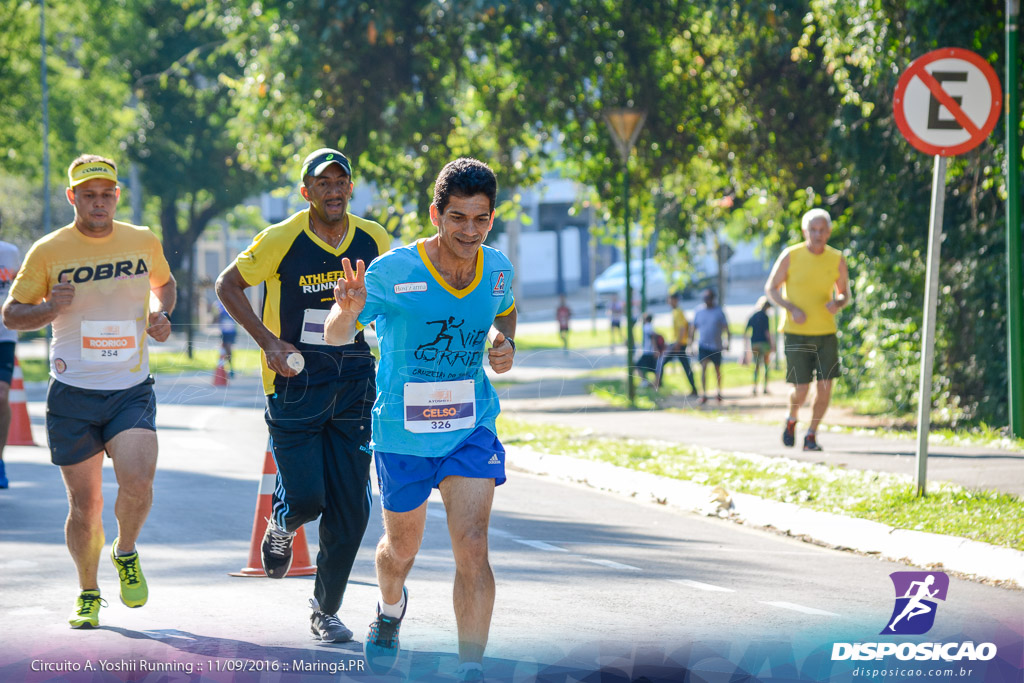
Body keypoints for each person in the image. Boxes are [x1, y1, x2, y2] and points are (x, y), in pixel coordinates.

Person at [323, 158, 516, 681]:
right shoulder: (392, 271)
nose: (469, 231)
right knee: (400, 550)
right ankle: (389, 611)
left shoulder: (497, 268)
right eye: (458, 218)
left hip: (470, 427)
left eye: (480, 219)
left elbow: (504, 309)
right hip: (402, 435)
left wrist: (504, 342)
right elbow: (337, 335)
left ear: (491, 218)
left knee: (473, 545)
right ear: (436, 214)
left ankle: (470, 666)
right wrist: (347, 309)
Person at [215, 148, 390, 642]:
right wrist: (269, 343)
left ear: (350, 188)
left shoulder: (374, 239)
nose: (333, 190)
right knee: (310, 499)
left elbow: (384, 306)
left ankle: (325, 608)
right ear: (305, 191)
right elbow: (227, 284)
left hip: (354, 380)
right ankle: (283, 520)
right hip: (294, 383)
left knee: (352, 510)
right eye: (323, 183)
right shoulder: (281, 238)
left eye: (341, 181)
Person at [1, 154, 176, 628]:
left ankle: (126, 550)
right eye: (88, 194)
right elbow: (11, 315)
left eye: (106, 194)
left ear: (117, 195)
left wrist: (161, 316)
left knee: (138, 484)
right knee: (86, 505)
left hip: (130, 389)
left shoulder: (141, 240)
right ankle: (88, 592)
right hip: (72, 393)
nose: (98, 203)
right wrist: (48, 308)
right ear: (72, 197)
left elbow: (165, 284)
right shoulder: (48, 250)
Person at [764, 208, 851, 451]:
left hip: (825, 332)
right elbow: (771, 288)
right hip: (796, 331)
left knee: (825, 388)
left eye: (822, 230)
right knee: (800, 390)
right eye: (813, 229)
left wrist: (838, 301)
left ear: (829, 232)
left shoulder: (836, 258)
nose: (817, 234)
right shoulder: (791, 255)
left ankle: (811, 435)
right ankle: (792, 418)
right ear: (805, 231)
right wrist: (790, 307)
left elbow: (844, 293)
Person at [0, 211, 20, 489]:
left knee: (1, 394)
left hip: (4, 334)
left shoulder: (11, 253)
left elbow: (21, 291)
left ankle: (0, 458)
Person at [692, 289, 730, 404]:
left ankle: (718, 392)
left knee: (717, 369)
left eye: (709, 298)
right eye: (705, 299)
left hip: (716, 346)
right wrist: (690, 344)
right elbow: (693, 328)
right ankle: (703, 393)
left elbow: (726, 328)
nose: (707, 301)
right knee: (703, 368)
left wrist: (728, 342)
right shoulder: (698, 311)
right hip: (703, 345)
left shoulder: (719, 311)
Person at [657, 292, 698, 397]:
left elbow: (682, 328)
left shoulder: (678, 312)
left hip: (678, 344)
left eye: (670, 299)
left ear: (675, 300)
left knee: (662, 361)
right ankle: (694, 388)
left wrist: (678, 343)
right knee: (685, 366)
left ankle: (658, 385)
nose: (668, 302)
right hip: (677, 343)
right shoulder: (676, 311)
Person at [744, 296, 774, 395]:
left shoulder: (752, 315)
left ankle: (754, 387)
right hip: (764, 344)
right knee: (765, 366)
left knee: (756, 366)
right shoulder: (765, 317)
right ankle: (765, 387)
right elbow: (767, 332)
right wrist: (772, 344)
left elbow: (746, 331)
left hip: (755, 344)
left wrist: (746, 346)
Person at [633, 312, 660, 389]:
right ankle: (655, 383)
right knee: (653, 368)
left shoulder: (646, 327)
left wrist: (655, 349)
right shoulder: (651, 326)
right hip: (650, 351)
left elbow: (652, 338)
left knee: (638, 365)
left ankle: (645, 381)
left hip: (648, 351)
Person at [215, 299, 237, 377]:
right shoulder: (219, 303)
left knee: (228, 349)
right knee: (224, 350)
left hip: (230, 331)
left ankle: (230, 368)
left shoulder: (232, 302)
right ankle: (225, 369)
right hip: (224, 331)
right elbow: (216, 317)